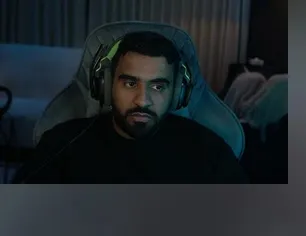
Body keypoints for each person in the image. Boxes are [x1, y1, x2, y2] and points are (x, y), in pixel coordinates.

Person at [15, 31, 246, 183]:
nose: (142, 101)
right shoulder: (61, 144)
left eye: (158, 87)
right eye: (130, 83)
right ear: (106, 85)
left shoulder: (209, 151)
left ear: (177, 93)